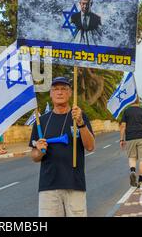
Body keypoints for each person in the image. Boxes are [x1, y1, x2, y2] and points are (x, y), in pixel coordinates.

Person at [29, 76, 95, 217]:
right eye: (56, 89)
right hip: (48, 186)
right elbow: (34, 156)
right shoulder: (41, 122)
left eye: (64, 89)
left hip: (75, 184)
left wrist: (81, 123)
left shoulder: (80, 117)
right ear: (51, 94)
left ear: (70, 93)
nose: (60, 92)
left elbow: (90, 147)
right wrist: (40, 151)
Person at [120, 97, 142, 189]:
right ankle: (140, 180)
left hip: (130, 137)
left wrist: (121, 139)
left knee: (132, 157)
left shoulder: (126, 111)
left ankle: (132, 171)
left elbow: (123, 126)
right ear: (139, 101)